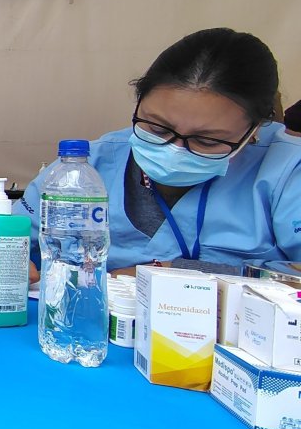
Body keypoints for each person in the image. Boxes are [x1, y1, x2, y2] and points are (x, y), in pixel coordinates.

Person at [17, 28, 300, 272]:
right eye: (157, 128)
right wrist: (9, 259)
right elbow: (6, 234)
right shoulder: (87, 164)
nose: (175, 149)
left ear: (254, 130)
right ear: (139, 102)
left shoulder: (286, 172)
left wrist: (175, 273)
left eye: (208, 140)